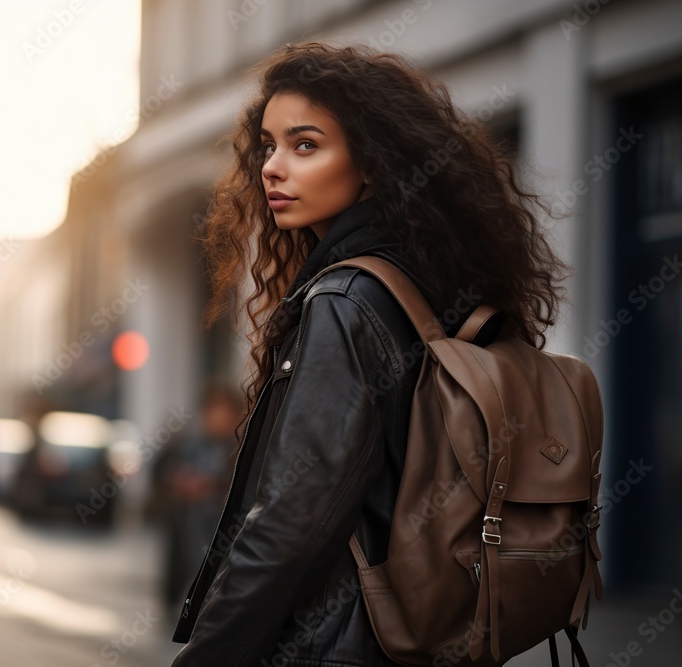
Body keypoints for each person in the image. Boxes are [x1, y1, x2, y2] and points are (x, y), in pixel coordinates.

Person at [170, 41, 571, 666]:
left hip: (336, 644)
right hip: (421, 635)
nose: (272, 167)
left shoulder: (347, 299)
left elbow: (291, 519)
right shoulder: (432, 287)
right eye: (268, 146)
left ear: (375, 163)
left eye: (306, 145)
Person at [151, 381, 244, 614]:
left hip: (222, 528)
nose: (216, 417)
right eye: (212, 410)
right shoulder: (190, 445)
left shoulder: (238, 449)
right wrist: (180, 482)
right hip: (188, 522)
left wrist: (210, 485)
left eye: (222, 410)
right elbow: (164, 472)